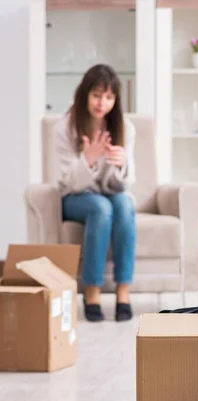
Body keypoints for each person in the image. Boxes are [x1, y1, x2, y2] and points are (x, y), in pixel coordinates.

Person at [52, 64, 136, 322]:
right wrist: (87, 160)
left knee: (122, 204)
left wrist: (120, 164)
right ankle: (92, 292)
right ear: (85, 94)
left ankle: (123, 292)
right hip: (76, 198)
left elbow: (125, 184)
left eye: (109, 97)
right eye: (97, 95)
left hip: (108, 195)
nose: (102, 103)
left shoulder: (125, 128)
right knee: (101, 207)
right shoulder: (65, 127)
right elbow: (67, 182)